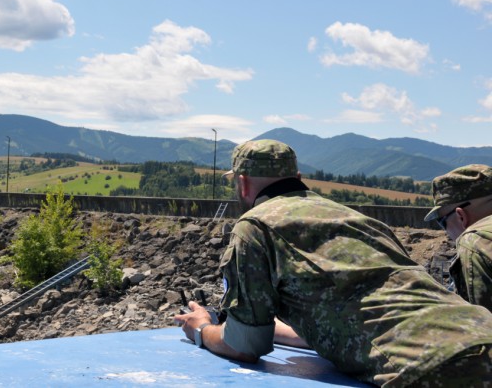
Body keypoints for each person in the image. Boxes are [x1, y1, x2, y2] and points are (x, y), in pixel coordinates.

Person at [175, 139, 492, 387]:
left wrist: (202, 329)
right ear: (298, 178)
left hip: (430, 366)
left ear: (242, 184)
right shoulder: (359, 220)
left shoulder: (255, 226)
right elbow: (349, 321)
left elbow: (244, 346)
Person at [426, 164, 492, 311]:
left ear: (461, 216)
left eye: (442, 222)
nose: (446, 232)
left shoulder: (474, 243)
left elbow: (484, 329)